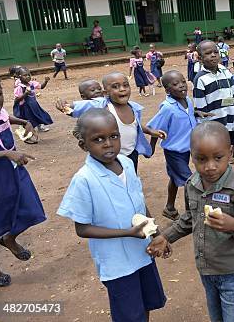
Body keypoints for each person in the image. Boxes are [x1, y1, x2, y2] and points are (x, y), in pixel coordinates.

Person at [148, 122, 234, 322]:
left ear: (230, 152)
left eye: (218, 158)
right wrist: (166, 236)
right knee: (217, 317)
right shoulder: (192, 184)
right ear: (192, 157)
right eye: (201, 159)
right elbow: (190, 217)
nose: (210, 166)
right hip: (207, 268)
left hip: (233, 270)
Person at [57, 108, 167, 318]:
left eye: (113, 136)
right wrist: (127, 232)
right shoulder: (84, 179)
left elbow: (139, 203)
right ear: (84, 145)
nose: (108, 144)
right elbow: (82, 228)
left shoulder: (126, 163)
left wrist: (157, 233)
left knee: (146, 304)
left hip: (142, 254)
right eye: (98, 139)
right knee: (129, 314)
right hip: (117, 264)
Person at [56, 72, 165, 172]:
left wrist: (150, 131)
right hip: (111, 156)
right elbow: (76, 108)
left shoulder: (133, 107)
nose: (122, 89)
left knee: (130, 177)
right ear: (105, 93)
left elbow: (134, 125)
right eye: (115, 87)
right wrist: (64, 106)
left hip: (131, 154)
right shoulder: (103, 105)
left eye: (125, 85)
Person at [0, 76, 46, 287]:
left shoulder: (2, 112)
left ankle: (9, 238)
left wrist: (25, 121)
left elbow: (5, 119)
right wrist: (7, 153)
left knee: (31, 209)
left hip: (14, 170)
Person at [147, 70, 198, 221]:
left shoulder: (187, 100)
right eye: (175, 84)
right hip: (174, 151)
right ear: (167, 90)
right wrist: (151, 148)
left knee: (175, 178)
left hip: (187, 148)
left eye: (183, 81)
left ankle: (169, 208)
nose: (182, 86)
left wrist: (197, 114)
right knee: (191, 181)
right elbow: (155, 129)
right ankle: (191, 214)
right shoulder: (167, 108)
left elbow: (189, 115)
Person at [193, 41, 234, 161]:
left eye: (215, 52)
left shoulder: (225, 72)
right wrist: (205, 128)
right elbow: (201, 107)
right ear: (200, 58)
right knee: (216, 154)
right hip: (213, 126)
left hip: (229, 120)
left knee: (229, 151)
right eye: (208, 53)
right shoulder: (200, 79)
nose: (213, 55)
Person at [13, 67, 52, 134]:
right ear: (20, 77)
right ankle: (29, 130)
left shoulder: (32, 83)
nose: (28, 77)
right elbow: (17, 100)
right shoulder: (20, 87)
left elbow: (41, 86)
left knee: (38, 114)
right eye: (25, 75)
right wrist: (25, 94)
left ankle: (40, 127)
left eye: (29, 75)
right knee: (29, 118)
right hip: (26, 106)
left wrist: (46, 81)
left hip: (34, 104)